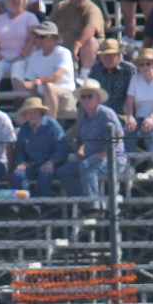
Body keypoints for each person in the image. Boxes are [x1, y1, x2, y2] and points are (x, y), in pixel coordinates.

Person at [56, 78, 122, 211]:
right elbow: (79, 141)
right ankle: (83, 203)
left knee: (87, 166)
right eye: (83, 96)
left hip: (113, 160)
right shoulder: (84, 118)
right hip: (90, 159)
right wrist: (79, 153)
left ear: (97, 98)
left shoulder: (106, 113)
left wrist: (103, 154)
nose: (86, 99)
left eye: (89, 96)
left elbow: (119, 135)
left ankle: (94, 206)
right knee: (64, 171)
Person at [11, 22, 77, 116]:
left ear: (54, 38)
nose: (39, 39)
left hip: (66, 98)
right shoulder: (34, 57)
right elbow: (32, 86)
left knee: (49, 87)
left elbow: (56, 76)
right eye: (37, 36)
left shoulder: (64, 53)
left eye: (43, 36)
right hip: (42, 98)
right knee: (20, 119)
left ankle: (50, 128)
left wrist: (36, 82)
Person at [10, 96, 66, 197]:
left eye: (35, 112)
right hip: (31, 165)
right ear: (26, 115)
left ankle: (38, 208)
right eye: (29, 112)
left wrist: (52, 162)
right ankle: (16, 207)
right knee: (18, 174)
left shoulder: (53, 125)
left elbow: (62, 148)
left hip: (50, 164)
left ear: (41, 112)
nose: (32, 115)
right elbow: (19, 149)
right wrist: (22, 161)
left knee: (45, 174)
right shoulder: (24, 128)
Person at [0, 0, 41, 86]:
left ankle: (18, 100)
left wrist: (22, 55)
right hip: (4, 57)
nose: (15, 0)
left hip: (25, 56)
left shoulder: (30, 17)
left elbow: (31, 40)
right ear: (7, 0)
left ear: (24, 0)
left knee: (17, 67)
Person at [47, 0, 103, 70]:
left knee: (90, 41)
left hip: (83, 51)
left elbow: (91, 29)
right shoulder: (61, 7)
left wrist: (78, 44)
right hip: (61, 49)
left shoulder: (92, 9)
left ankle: (84, 76)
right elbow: (49, 26)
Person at [87, 37, 136, 117]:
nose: (107, 59)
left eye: (111, 55)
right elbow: (89, 92)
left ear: (118, 56)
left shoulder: (128, 69)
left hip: (122, 115)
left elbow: (133, 97)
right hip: (100, 115)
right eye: (105, 55)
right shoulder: (96, 68)